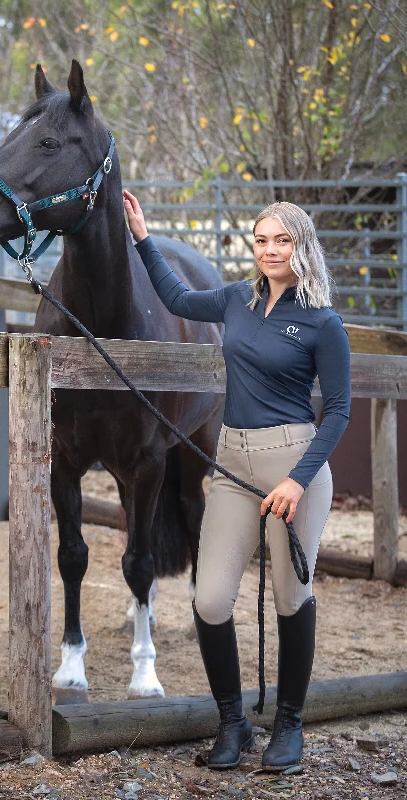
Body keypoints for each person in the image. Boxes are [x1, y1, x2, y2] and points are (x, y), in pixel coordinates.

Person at [123, 190, 350, 771]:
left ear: (301, 246)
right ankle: (234, 723)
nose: (270, 250)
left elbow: (340, 411)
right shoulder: (234, 301)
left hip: (294, 464)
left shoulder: (322, 322)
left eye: (282, 240)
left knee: (290, 594)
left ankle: (290, 725)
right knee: (211, 598)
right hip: (233, 464)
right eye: (261, 240)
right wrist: (143, 238)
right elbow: (175, 295)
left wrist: (298, 481)